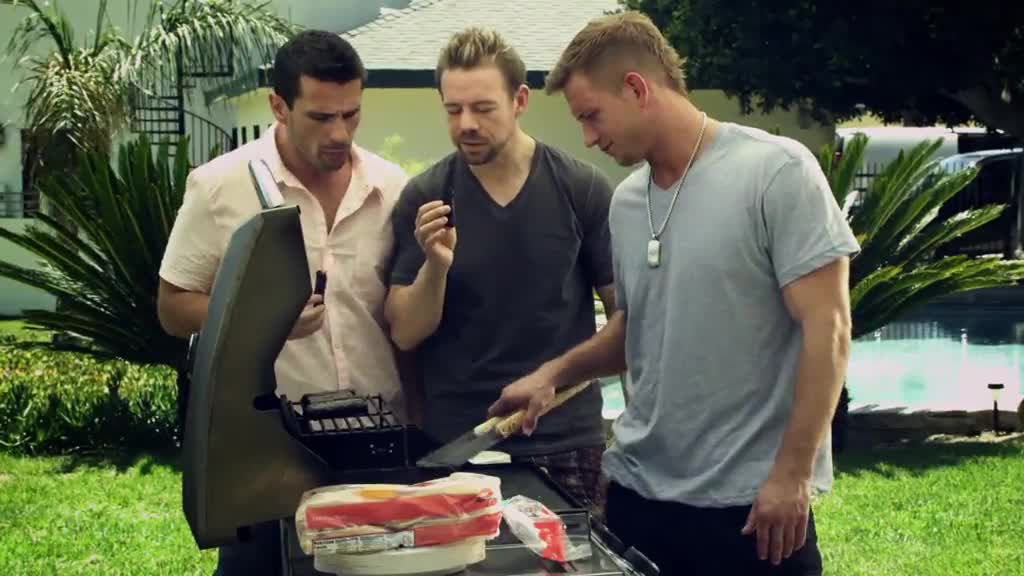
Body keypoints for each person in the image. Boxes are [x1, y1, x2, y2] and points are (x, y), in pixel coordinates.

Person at [487, 11, 860, 576]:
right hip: (639, 501)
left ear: (637, 89)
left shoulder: (776, 172)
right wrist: (552, 375)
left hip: (750, 511)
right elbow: (637, 328)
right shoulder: (626, 203)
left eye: (591, 115)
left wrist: (792, 474)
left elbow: (828, 329)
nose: (588, 137)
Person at [157, 30, 410, 574]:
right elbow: (174, 308)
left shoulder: (391, 187)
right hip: (269, 452)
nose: (339, 132)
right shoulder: (219, 186)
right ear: (278, 106)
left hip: (378, 447)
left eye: (351, 114)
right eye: (321, 117)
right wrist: (264, 320)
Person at [384, 27, 617, 515]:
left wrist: (560, 378)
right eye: (453, 110)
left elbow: (628, 321)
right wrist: (436, 265)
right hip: (458, 445)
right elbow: (404, 332)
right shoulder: (427, 196)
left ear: (520, 100)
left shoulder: (581, 188)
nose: (466, 124)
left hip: (566, 440)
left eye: (483, 108)